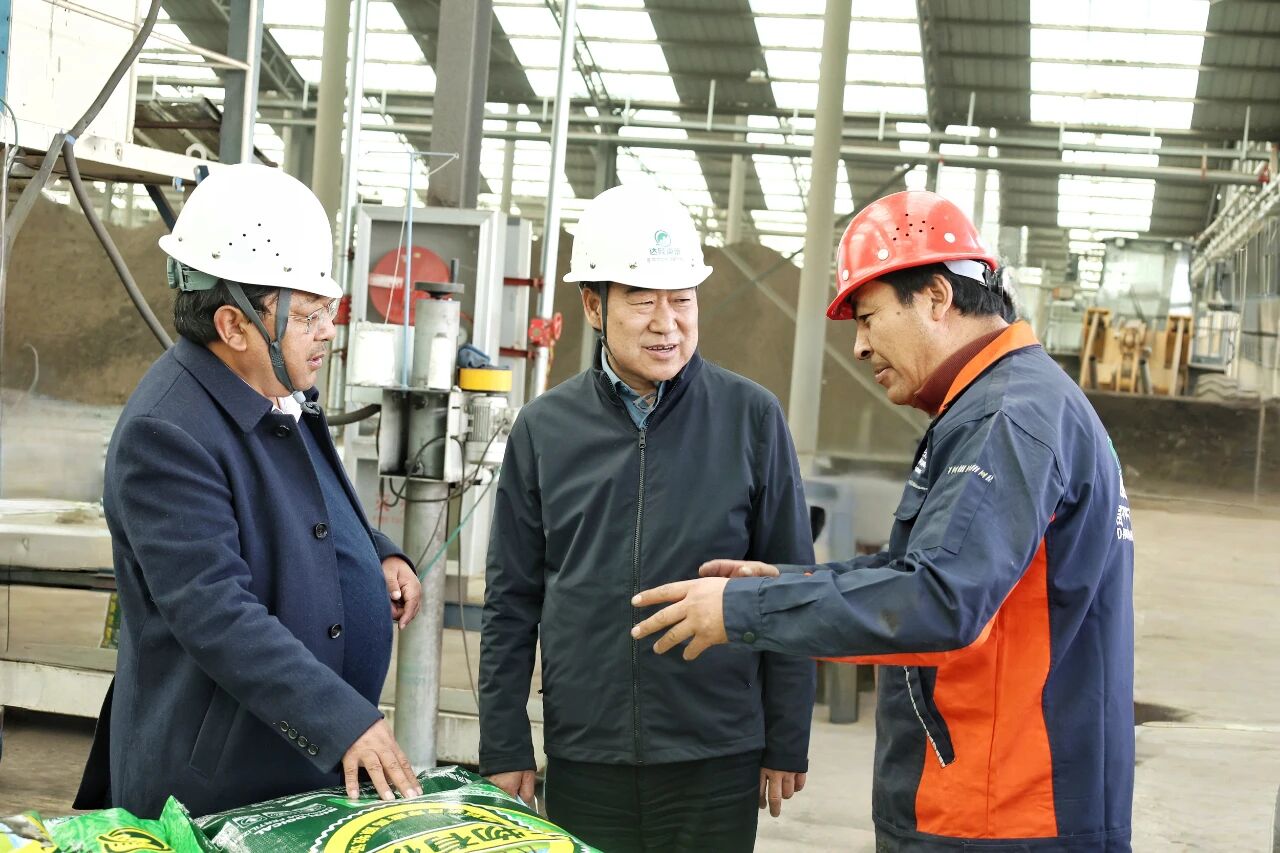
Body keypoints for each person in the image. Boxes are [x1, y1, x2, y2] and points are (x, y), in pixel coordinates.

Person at [632, 190, 1136, 852]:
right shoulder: (1008, 403)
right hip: (997, 799)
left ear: (936, 297)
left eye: (868, 318)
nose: (861, 346)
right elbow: (922, 570)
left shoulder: (1006, 419)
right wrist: (786, 581)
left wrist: (744, 610)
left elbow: (939, 599)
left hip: (1000, 815)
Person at [75, 163, 424, 818]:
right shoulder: (167, 433)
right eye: (309, 315)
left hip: (296, 764)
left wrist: (374, 550)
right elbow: (215, 611)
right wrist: (339, 719)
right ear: (234, 326)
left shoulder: (273, 387)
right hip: (216, 789)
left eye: (328, 310)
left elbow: (303, 502)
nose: (328, 331)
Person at [479, 184, 817, 852]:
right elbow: (512, 598)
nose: (668, 323)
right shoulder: (544, 429)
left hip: (715, 751)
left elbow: (790, 581)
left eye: (682, 299)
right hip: (587, 751)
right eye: (642, 300)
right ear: (593, 305)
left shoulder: (751, 418)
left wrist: (787, 736)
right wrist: (504, 741)